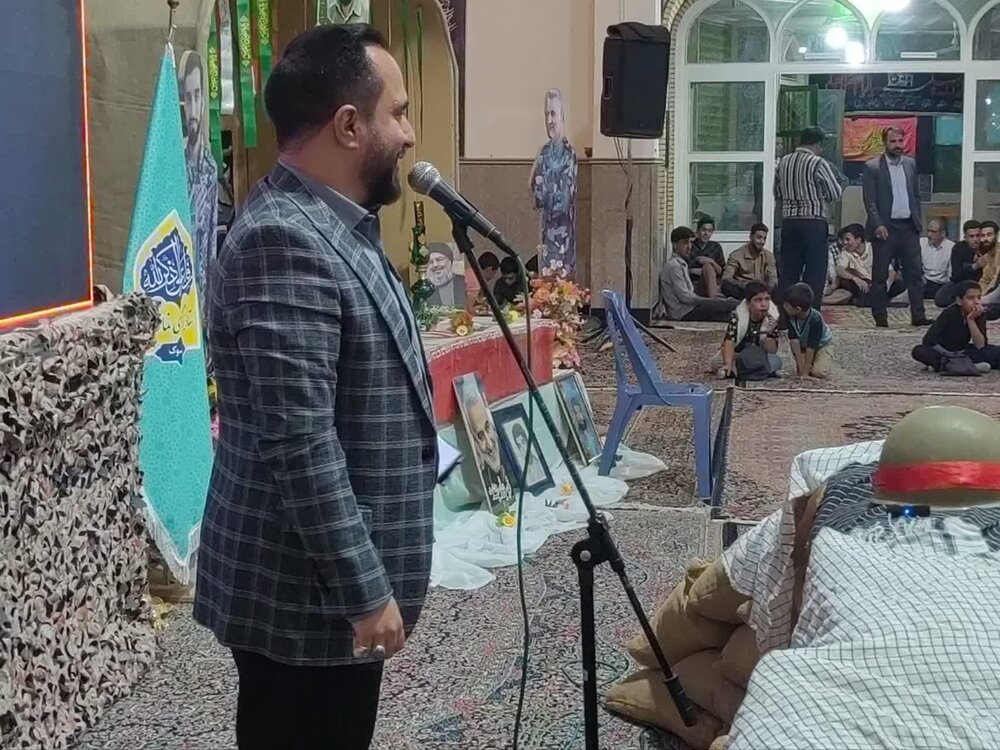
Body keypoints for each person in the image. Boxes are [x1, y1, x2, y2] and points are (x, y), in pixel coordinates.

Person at [193, 25, 435, 750]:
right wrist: (364, 590)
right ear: (349, 125)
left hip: (321, 591)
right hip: (301, 595)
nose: (410, 134)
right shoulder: (284, 239)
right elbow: (300, 442)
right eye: (398, 113)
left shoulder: (336, 223)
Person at [861, 126, 930, 327]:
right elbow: (870, 201)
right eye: (893, 141)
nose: (898, 145)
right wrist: (877, 224)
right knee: (880, 275)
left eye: (900, 141)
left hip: (908, 226)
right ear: (885, 143)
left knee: (915, 273)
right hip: (886, 227)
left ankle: (918, 315)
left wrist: (918, 220)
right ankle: (880, 317)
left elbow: (915, 195)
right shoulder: (872, 167)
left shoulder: (910, 164)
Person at [774, 126, 844, 310]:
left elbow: (777, 192)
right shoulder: (817, 162)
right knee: (815, 273)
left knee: (789, 272)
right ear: (818, 144)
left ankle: (785, 314)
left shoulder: (783, 162)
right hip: (813, 222)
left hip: (789, 222)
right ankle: (810, 315)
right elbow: (835, 192)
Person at [178, 51, 219, 322]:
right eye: (187, 98)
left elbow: (211, 244)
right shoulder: (174, 164)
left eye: (197, 97)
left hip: (201, 296)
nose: (193, 108)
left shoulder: (209, 169)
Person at [530, 88, 578, 277]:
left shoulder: (569, 154)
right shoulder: (543, 152)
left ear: (562, 115)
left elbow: (564, 200)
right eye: (546, 114)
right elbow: (536, 197)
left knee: (562, 278)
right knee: (544, 277)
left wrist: (543, 188)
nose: (549, 120)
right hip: (545, 231)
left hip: (563, 234)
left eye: (553, 114)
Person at [912, 281, 1000, 372]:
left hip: (963, 351)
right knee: (919, 351)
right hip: (943, 351)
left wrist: (971, 320)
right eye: (971, 298)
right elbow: (928, 340)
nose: (976, 302)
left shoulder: (979, 314)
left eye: (978, 297)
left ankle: (956, 365)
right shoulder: (949, 313)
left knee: (995, 352)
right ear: (959, 301)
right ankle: (961, 365)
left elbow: (980, 345)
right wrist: (949, 354)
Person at [659, 226, 738, 321]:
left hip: (689, 308)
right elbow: (685, 297)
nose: (689, 247)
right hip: (683, 312)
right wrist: (711, 301)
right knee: (728, 305)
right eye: (685, 243)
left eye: (691, 242)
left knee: (727, 308)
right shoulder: (674, 266)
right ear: (675, 245)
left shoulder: (680, 263)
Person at [712, 281, 782, 379]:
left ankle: (736, 372)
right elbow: (730, 341)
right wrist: (728, 364)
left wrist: (769, 332)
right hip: (739, 355)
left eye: (767, 299)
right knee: (716, 362)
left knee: (776, 361)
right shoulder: (737, 316)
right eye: (758, 300)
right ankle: (757, 372)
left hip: (759, 357)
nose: (764, 304)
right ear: (748, 303)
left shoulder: (773, 317)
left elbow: (771, 351)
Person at [834, 223, 904, 307]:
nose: (845, 242)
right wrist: (855, 278)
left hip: (878, 283)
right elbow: (839, 269)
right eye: (844, 240)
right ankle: (882, 302)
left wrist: (884, 289)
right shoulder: (846, 251)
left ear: (858, 240)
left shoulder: (874, 248)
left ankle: (870, 301)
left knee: (900, 284)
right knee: (846, 282)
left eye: (848, 239)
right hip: (863, 285)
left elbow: (891, 272)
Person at [783, 282, 834, 378]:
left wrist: (805, 373)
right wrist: (800, 365)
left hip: (821, 345)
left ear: (798, 309)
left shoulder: (815, 319)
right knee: (798, 370)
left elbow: (811, 346)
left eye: (786, 305)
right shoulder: (789, 315)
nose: (783, 307)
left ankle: (818, 358)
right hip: (803, 345)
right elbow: (794, 340)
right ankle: (810, 361)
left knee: (818, 372)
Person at [721, 223, 778, 300]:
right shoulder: (737, 255)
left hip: (761, 289)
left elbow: (773, 278)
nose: (762, 241)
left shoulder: (768, 255)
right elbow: (726, 277)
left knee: (778, 287)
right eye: (759, 237)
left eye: (764, 238)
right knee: (726, 286)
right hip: (743, 289)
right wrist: (745, 285)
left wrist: (768, 288)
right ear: (751, 237)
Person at [933, 219, 983, 307]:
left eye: (978, 236)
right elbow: (956, 274)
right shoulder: (959, 248)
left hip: (980, 282)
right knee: (940, 299)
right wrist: (975, 266)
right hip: (961, 282)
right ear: (965, 237)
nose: (975, 239)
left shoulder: (985, 247)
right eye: (971, 236)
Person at [689, 216, 726, 298]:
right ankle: (714, 298)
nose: (706, 233)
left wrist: (711, 262)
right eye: (703, 230)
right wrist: (704, 271)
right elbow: (686, 269)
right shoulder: (690, 246)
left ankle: (713, 295)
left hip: (713, 283)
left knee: (708, 266)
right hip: (694, 284)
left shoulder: (716, 246)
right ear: (698, 230)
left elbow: (721, 271)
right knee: (708, 267)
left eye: (709, 231)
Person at [920, 218, 953, 300]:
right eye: (928, 231)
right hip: (923, 281)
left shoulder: (951, 248)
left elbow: (950, 275)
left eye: (933, 232)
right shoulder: (921, 243)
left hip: (941, 284)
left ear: (943, 233)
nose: (929, 234)